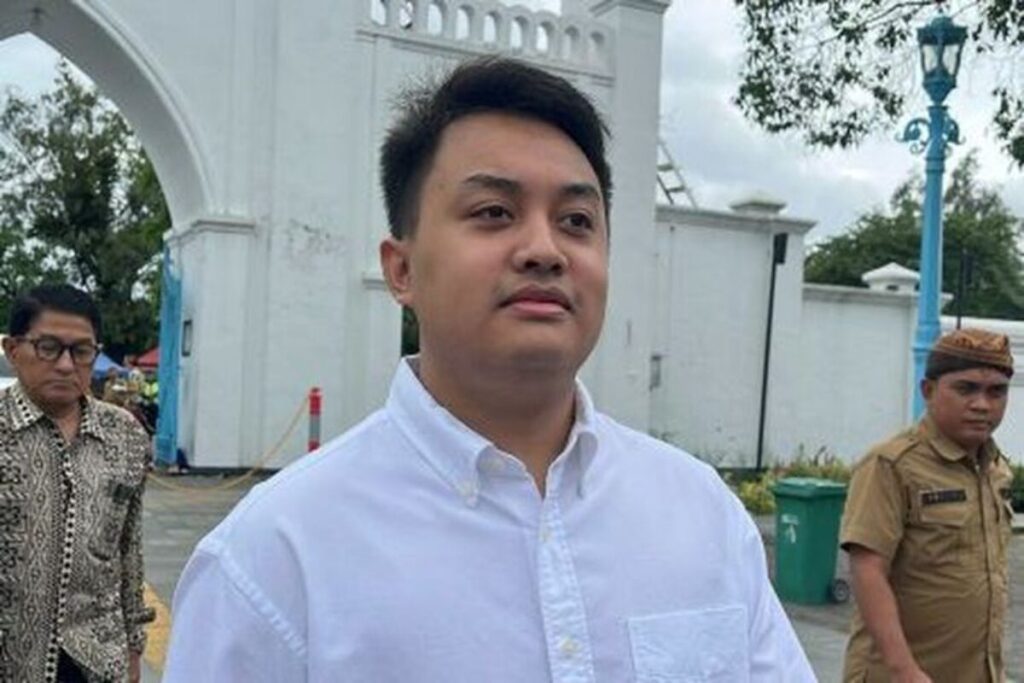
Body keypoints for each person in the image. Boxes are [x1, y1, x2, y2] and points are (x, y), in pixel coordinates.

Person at [163, 57, 814, 681]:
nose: (544, 250)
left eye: (577, 221)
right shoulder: (274, 558)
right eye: (494, 213)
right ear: (401, 269)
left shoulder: (701, 514)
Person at [840, 328, 1015, 682]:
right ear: (929, 390)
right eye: (965, 389)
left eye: (996, 392)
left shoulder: (995, 470)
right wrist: (904, 669)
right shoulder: (891, 465)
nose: (982, 404)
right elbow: (868, 570)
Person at [0, 284, 154, 682]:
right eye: (48, 347)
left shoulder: (125, 435)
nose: (66, 365)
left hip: (95, 660)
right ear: (12, 349)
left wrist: (133, 648)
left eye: (81, 351)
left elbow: (129, 550)